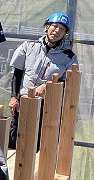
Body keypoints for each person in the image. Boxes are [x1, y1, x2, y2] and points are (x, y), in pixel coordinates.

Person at [8, 12, 76, 149]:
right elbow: (17, 73)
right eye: (55, 26)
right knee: (14, 139)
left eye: (62, 29)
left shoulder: (69, 57)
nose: (57, 31)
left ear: (65, 34)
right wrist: (14, 97)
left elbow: (69, 82)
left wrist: (48, 86)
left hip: (48, 105)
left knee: (39, 143)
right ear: (46, 27)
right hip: (23, 100)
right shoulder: (28, 46)